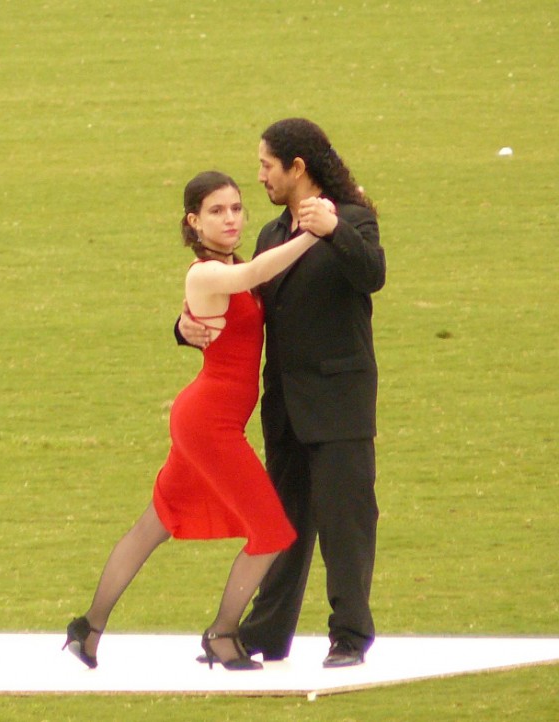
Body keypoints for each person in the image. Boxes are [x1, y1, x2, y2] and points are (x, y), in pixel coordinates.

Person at [64, 171, 332, 671]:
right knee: (272, 531)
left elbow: (243, 288)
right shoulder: (205, 273)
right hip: (209, 424)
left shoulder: (234, 264)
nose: (230, 218)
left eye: (236, 208)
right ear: (194, 221)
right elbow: (248, 280)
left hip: (206, 419)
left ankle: (87, 630)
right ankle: (222, 635)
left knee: (156, 523)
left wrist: (183, 328)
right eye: (216, 211)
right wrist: (312, 234)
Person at [178, 118, 386, 668]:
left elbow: (372, 275)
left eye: (268, 166)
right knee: (283, 519)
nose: (262, 177)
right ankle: (267, 634)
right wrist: (184, 326)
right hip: (286, 403)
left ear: (298, 168)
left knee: (346, 519)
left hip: (339, 399)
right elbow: (238, 300)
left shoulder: (356, 219)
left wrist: (336, 228)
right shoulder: (272, 236)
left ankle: (349, 636)